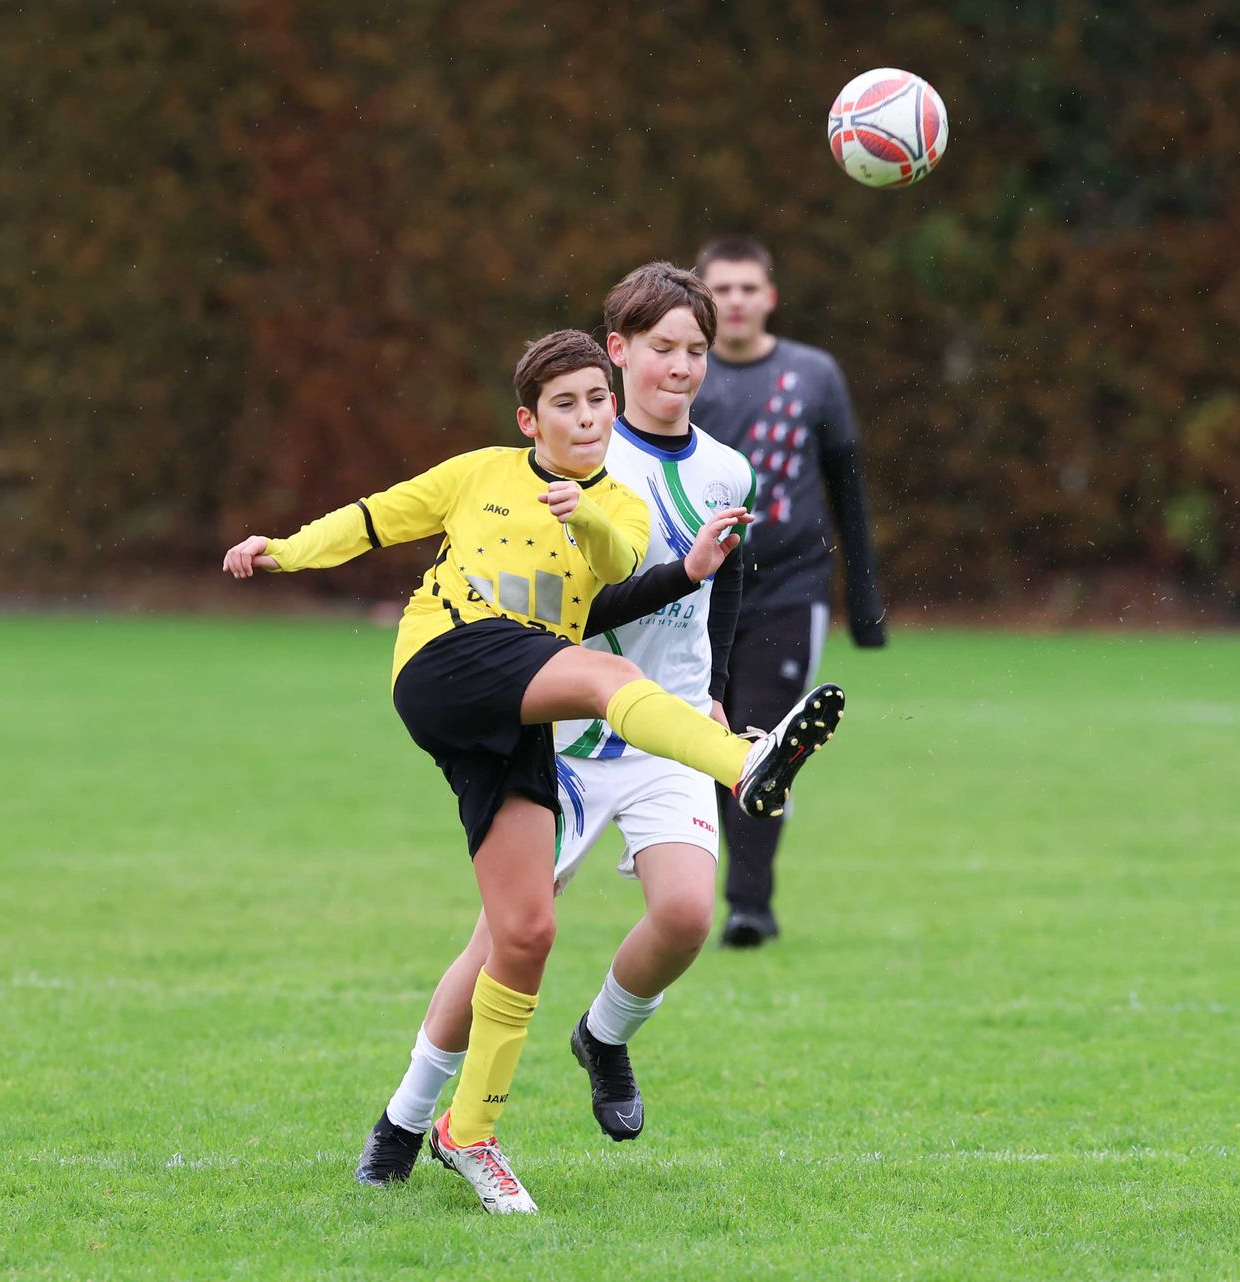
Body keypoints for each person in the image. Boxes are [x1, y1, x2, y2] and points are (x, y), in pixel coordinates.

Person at [224, 327, 844, 1213]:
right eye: (566, 403)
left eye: (598, 400)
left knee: (524, 933)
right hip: (445, 659)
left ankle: (458, 1131)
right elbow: (374, 518)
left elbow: (619, 567)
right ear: (530, 418)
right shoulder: (480, 471)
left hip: (518, 704)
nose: (588, 416)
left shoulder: (620, 506)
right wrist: (284, 549)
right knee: (611, 677)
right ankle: (747, 759)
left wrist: (598, 516)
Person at [354, 263, 769, 1189]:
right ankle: (405, 1118)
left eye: (697, 351)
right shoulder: (574, 453)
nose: (682, 367)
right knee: (505, 940)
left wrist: (718, 693)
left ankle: (604, 1035)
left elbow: (726, 587)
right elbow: (563, 604)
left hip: (669, 727)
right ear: (617, 353)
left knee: (688, 912)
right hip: (572, 731)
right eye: (662, 349)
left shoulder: (728, 468)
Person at [690, 235, 887, 949]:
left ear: (769, 297)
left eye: (749, 288)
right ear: (700, 299)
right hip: (700, 591)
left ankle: (749, 905)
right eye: (723, 288)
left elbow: (848, 488)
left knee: (765, 740)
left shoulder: (814, 375)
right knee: (702, 735)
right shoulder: (684, 378)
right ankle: (698, 883)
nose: (736, 300)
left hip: (789, 588)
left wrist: (863, 599)